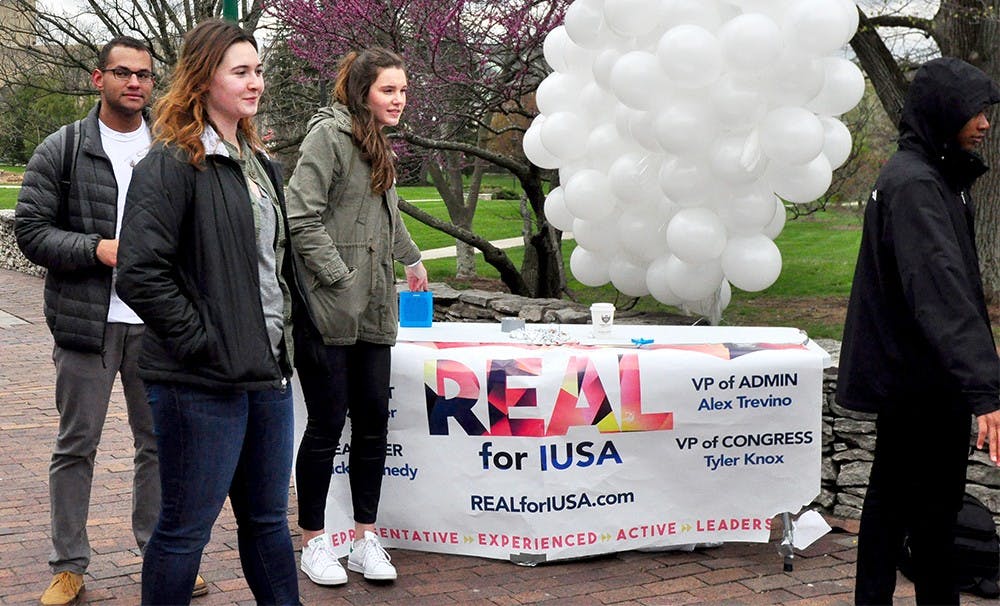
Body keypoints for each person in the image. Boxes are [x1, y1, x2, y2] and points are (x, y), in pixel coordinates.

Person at [114, 19, 304, 605]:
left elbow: (274, 269)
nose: (255, 83)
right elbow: (140, 272)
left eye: (258, 71)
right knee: (184, 531)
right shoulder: (172, 162)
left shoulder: (259, 164)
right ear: (203, 79)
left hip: (266, 376)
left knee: (268, 522)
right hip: (198, 382)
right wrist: (205, 342)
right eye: (240, 72)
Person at [14, 36, 207, 605]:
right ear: (99, 78)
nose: (135, 83)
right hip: (86, 324)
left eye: (144, 74)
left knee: (159, 444)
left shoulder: (173, 148)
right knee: (76, 445)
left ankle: (160, 556)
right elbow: (31, 231)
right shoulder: (64, 148)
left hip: (157, 325)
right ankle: (68, 566)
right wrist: (97, 249)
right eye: (123, 72)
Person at [837, 56, 1000, 605]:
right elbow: (940, 291)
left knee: (911, 508)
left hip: (921, 374)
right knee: (915, 510)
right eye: (974, 111)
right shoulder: (914, 184)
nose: (984, 123)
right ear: (942, 111)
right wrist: (985, 391)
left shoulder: (932, 176)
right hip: (919, 380)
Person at [284, 47, 428, 586]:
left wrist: (411, 258)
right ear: (363, 91)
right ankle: (313, 541)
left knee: (372, 426)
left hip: (374, 309)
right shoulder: (329, 137)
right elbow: (300, 216)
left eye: (403, 90)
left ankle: (366, 539)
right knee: (326, 426)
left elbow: (387, 213)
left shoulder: (376, 142)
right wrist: (339, 277)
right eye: (389, 89)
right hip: (329, 310)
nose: (399, 99)